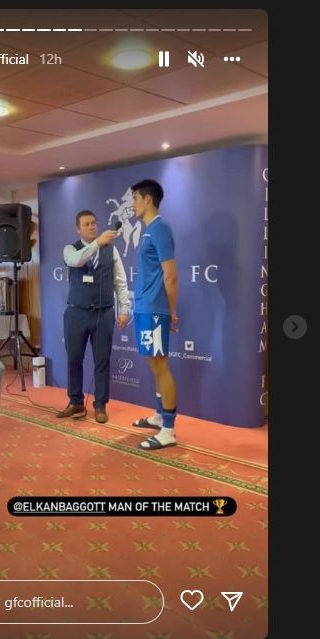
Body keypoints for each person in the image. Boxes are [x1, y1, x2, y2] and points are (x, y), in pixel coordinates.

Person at [57, 210, 130, 423]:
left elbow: (120, 281)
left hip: (104, 313)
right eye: (87, 224)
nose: (92, 227)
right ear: (78, 228)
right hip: (76, 312)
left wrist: (124, 309)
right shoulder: (70, 249)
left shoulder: (111, 250)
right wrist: (97, 242)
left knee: (102, 361)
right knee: (74, 359)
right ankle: (76, 403)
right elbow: (77, 261)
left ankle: (100, 405)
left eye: (94, 223)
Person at [130, 179, 179, 450]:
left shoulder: (160, 229)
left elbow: (171, 276)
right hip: (144, 307)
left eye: (135, 198)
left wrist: (170, 311)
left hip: (155, 309)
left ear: (147, 199)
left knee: (161, 366)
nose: (133, 204)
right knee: (153, 364)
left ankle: (169, 430)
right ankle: (160, 416)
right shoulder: (149, 231)